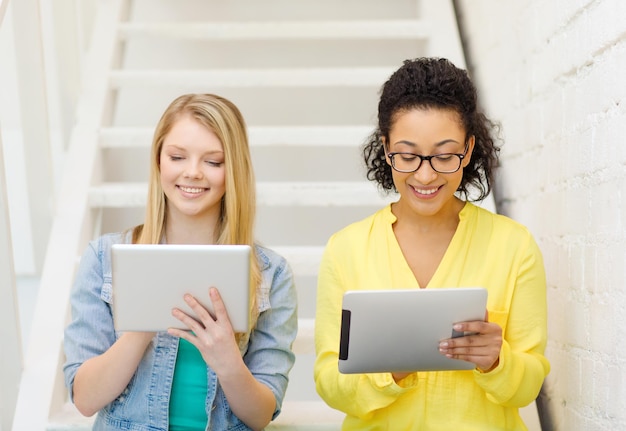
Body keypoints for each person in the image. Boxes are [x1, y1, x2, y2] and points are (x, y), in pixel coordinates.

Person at [313, 57, 550, 430]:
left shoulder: (513, 246)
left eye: (444, 156)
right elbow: (329, 382)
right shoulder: (347, 250)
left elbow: (530, 382)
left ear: (468, 150)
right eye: (408, 156)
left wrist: (497, 362)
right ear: (386, 148)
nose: (425, 175)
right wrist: (389, 372)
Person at [63, 93, 298, 431]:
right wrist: (140, 327)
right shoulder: (104, 259)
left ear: (234, 170)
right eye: (177, 156)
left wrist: (228, 361)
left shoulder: (270, 275)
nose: (192, 173)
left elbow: (260, 416)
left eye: (213, 162)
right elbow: (84, 399)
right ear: (158, 160)